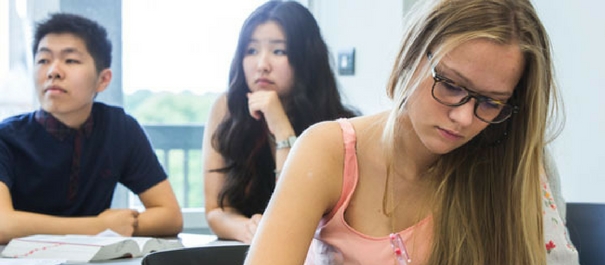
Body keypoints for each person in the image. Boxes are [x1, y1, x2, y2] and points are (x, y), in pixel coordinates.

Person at [245, 0, 580, 264]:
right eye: (450, 85)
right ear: (411, 55)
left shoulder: (516, 164)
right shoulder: (328, 150)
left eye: (491, 102)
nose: (464, 117)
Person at [0, 13, 183, 244]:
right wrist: (98, 226)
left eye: (70, 60)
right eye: (43, 60)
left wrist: (117, 226)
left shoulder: (120, 128)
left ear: (103, 80)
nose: (53, 71)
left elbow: (170, 215)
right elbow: (2, 224)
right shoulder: (6, 137)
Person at [202, 0, 357, 244]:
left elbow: (297, 210)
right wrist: (246, 227)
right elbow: (215, 211)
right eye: (251, 51)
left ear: (306, 59)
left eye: (278, 51)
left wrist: (280, 126)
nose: (262, 65)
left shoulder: (342, 127)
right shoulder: (227, 109)